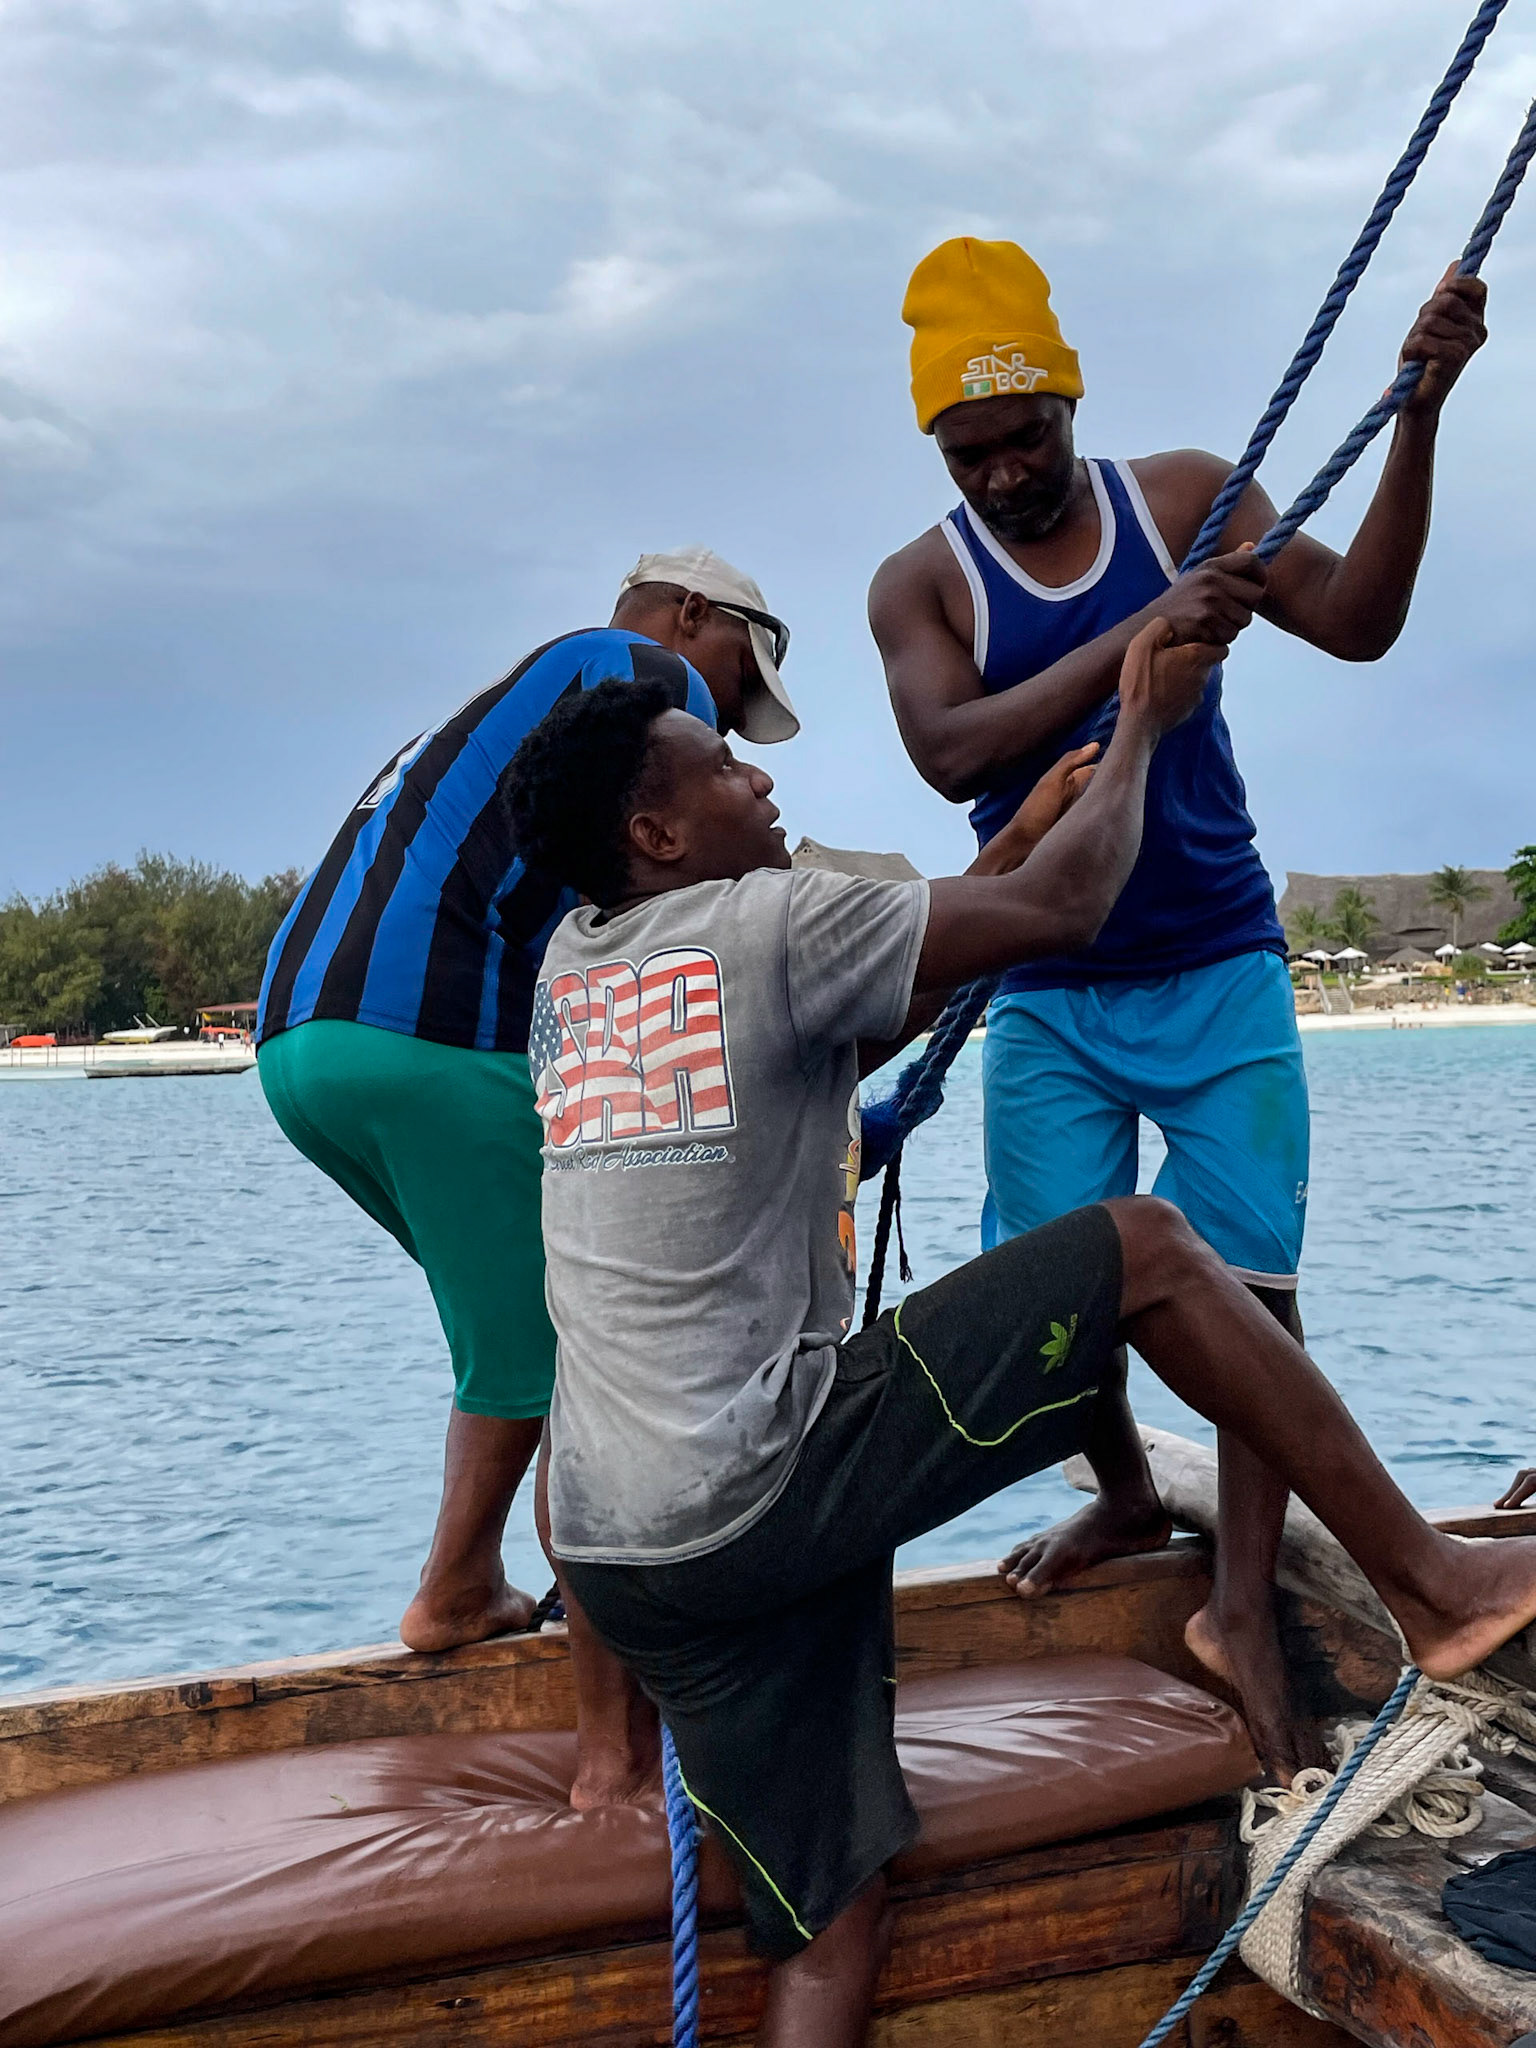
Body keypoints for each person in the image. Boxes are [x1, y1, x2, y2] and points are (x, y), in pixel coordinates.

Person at [504, 626, 1536, 2048]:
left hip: (620, 1552)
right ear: (657, 830)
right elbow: (1066, 914)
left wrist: (1022, 830)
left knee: (831, 1912)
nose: (758, 782)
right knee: (1150, 1249)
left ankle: (1176, 1508)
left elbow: (865, 1006)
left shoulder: (577, 974)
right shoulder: (767, 925)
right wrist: (1144, 719)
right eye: (724, 769)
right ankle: (1433, 1583)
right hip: (756, 1486)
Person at [867, 236, 1489, 1777]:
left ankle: (1236, 1610)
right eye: (974, 449)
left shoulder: (1190, 500)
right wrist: (1137, 646)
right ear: (939, 448)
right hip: (1050, 986)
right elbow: (953, 754)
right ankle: (1130, 1487)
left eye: (1029, 435)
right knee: (1060, 1293)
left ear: (1072, 404)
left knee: (1251, 1288)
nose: (1008, 470)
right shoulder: (924, 581)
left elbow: (1359, 620)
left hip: (1218, 956)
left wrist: (1418, 413)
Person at [255, 547, 797, 1806]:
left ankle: (458, 1586)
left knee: (521, 1329)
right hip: (425, 1043)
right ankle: (614, 1761)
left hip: (305, 1044)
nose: (723, 729)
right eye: (730, 692)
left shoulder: (501, 703)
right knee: (582, 1361)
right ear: (691, 618)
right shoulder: (629, 671)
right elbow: (644, 902)